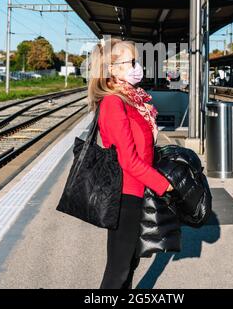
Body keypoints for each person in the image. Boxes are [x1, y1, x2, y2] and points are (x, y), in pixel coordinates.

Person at [87, 38, 174, 289]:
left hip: (138, 190)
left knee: (129, 264)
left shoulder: (131, 100)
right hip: (126, 195)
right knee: (118, 272)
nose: (138, 67)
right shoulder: (114, 103)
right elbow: (128, 159)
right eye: (132, 62)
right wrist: (164, 185)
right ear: (112, 69)